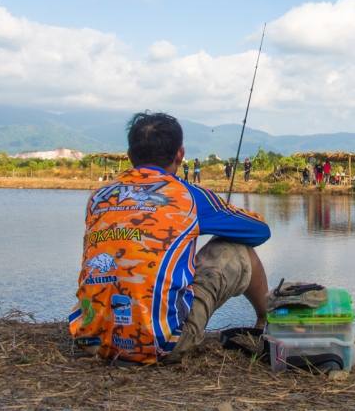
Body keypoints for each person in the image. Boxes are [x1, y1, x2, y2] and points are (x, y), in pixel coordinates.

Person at [69, 112, 270, 365]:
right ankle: (267, 320)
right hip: (162, 345)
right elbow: (260, 230)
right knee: (238, 249)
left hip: (91, 341)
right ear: (180, 154)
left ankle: (103, 325)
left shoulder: (100, 196)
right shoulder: (189, 195)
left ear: (130, 156)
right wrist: (212, 222)